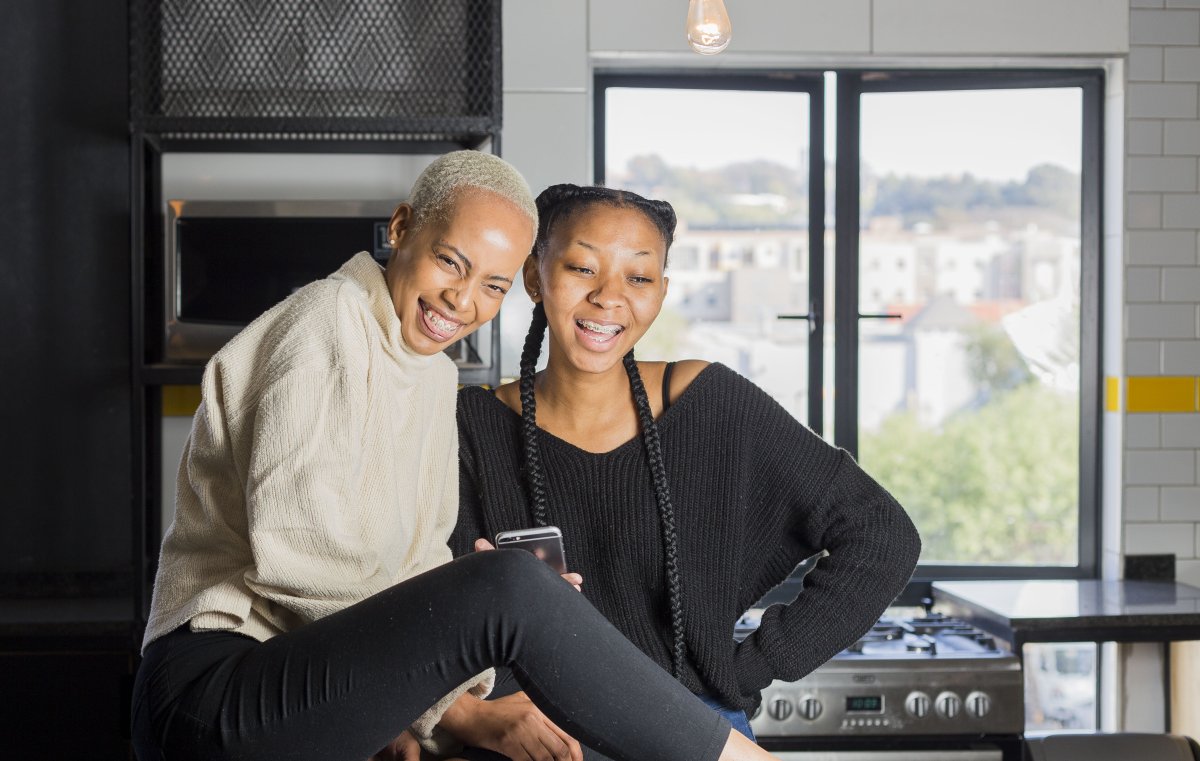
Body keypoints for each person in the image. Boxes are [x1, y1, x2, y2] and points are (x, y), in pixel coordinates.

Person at [131, 154, 785, 761]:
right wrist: (458, 700)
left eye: (494, 286)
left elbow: (416, 561)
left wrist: (448, 652)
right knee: (510, 584)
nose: (463, 299)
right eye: (451, 262)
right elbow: (303, 556)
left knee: (510, 592)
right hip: (213, 685)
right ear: (401, 228)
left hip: (303, 684)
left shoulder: (435, 377)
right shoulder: (330, 317)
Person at [452, 184, 923, 757]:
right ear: (534, 276)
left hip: (694, 733)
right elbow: (419, 603)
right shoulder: (470, 426)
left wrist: (747, 667)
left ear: (663, 292)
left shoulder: (708, 402)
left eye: (639, 278)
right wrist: (475, 709)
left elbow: (880, 533)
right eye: (582, 267)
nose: (609, 297)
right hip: (537, 741)